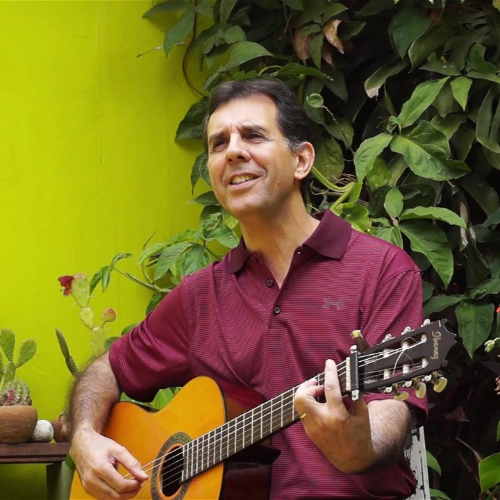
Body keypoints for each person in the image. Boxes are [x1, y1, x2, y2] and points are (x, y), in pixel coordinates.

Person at [69, 78, 426, 500]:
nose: (233, 151)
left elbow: (391, 408)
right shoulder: (199, 298)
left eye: (253, 136)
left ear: (301, 160)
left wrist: (359, 445)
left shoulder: (382, 270)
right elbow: (106, 370)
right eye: (218, 143)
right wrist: (84, 436)